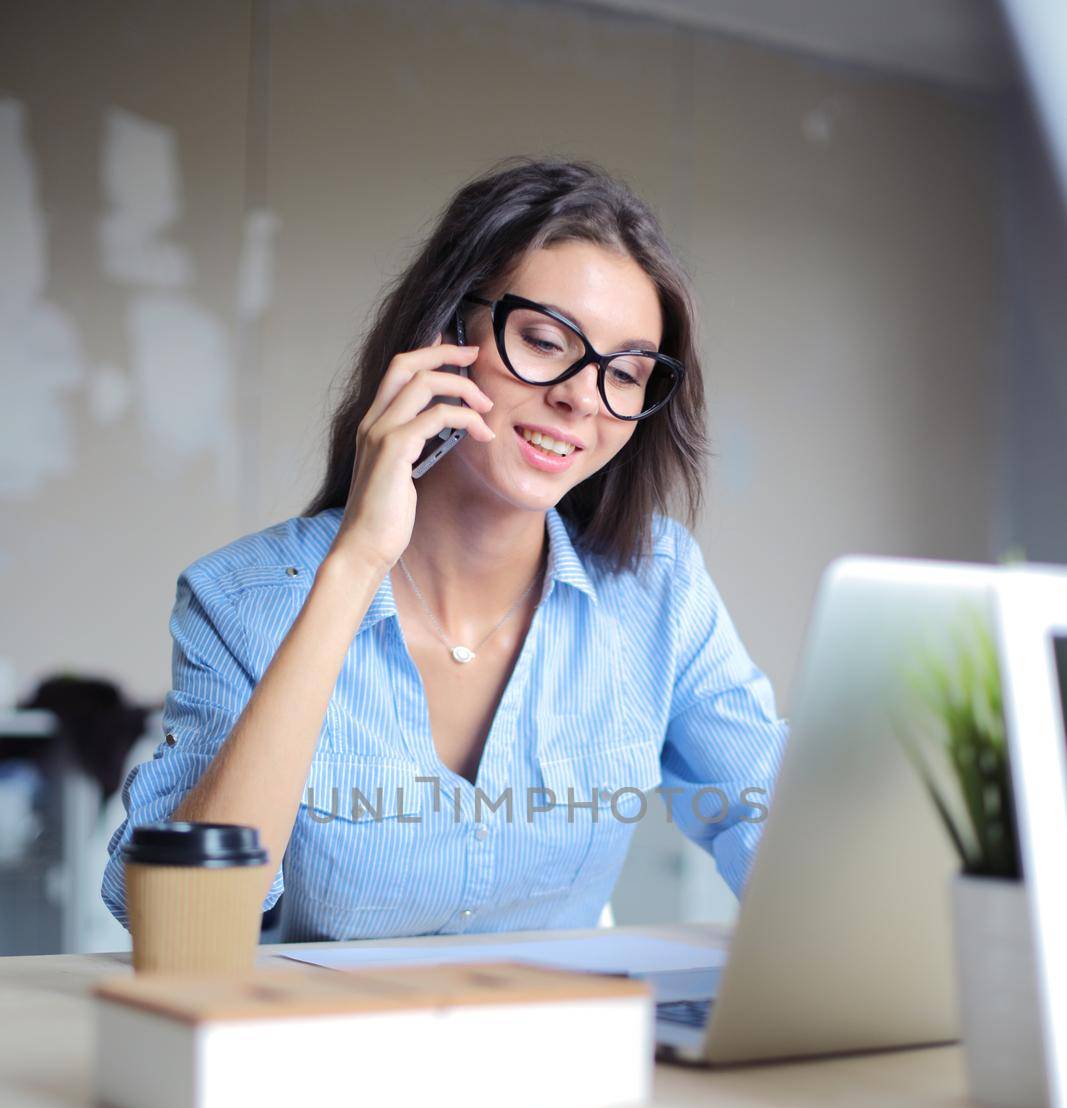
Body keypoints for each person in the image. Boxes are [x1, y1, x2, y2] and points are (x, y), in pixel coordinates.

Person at [102, 157, 788, 943]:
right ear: (443, 335)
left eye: (627, 374)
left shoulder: (657, 587)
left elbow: (769, 823)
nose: (578, 395)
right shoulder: (239, 598)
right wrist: (356, 564)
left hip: (559, 1051)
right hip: (317, 1056)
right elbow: (183, 929)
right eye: (542, 340)